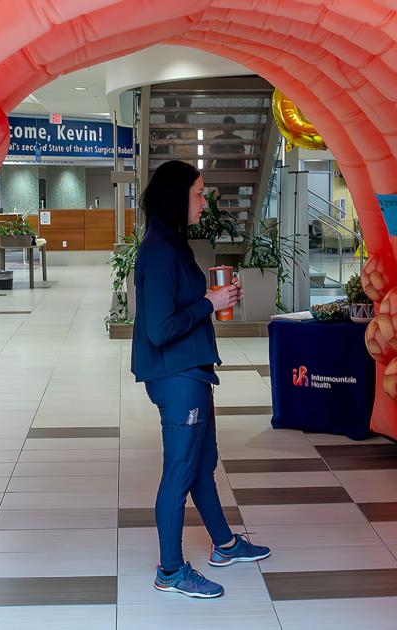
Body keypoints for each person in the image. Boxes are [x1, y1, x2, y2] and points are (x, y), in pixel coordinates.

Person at [131, 160, 272, 599]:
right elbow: (159, 328)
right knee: (179, 471)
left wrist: (216, 297)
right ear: (176, 196)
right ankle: (170, 570)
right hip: (177, 378)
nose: (203, 200)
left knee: (201, 465)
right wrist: (209, 303)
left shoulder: (172, 243)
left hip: (192, 372)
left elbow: (184, 304)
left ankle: (224, 544)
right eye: (197, 192)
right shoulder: (157, 251)